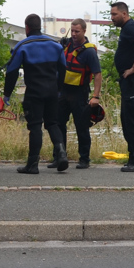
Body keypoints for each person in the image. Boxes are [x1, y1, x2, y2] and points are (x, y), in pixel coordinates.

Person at [3, 14, 68, 174]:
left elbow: (12, 71)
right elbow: (63, 69)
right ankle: (61, 154)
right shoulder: (55, 45)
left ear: (27, 27)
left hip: (34, 93)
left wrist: (7, 94)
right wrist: (59, 89)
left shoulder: (23, 46)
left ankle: (32, 164)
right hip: (52, 91)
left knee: (35, 126)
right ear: (40, 26)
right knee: (52, 123)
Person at [51, 19, 102, 170]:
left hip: (79, 93)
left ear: (84, 31)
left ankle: (84, 159)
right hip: (63, 91)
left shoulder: (89, 52)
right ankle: (59, 157)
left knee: (82, 126)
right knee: (58, 124)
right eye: (72, 31)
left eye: (77, 31)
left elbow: (97, 74)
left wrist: (96, 96)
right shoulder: (65, 45)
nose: (73, 34)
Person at [109, 1, 134, 172]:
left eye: (114, 14)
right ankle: (133, 158)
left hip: (133, 81)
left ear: (124, 14)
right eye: (111, 14)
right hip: (128, 82)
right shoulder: (126, 29)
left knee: (133, 121)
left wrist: (133, 68)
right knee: (127, 120)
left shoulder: (131, 27)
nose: (112, 18)